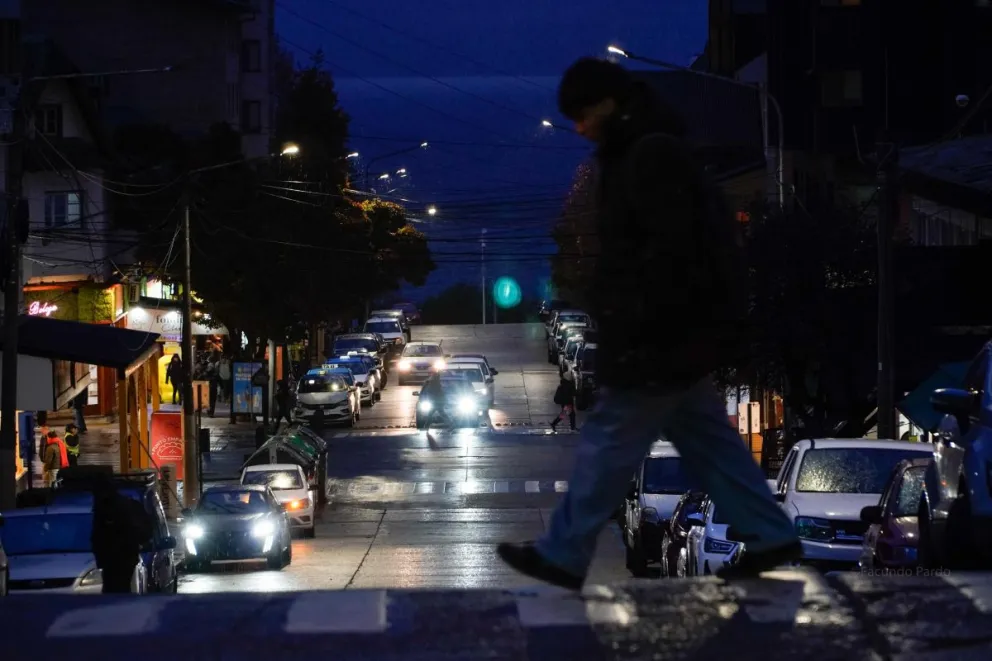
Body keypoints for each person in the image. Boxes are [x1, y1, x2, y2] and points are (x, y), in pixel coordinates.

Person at [496, 57, 800, 590]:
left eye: (583, 113)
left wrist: (636, 325)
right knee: (709, 441)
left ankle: (565, 553)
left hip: (659, 334)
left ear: (608, 103)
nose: (579, 126)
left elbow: (663, 255)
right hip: (676, 331)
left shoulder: (647, 155)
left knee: (609, 443)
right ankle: (771, 534)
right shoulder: (646, 147)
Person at [91, 475, 153, 594]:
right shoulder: (104, 508)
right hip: (118, 559)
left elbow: (99, 536)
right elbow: (97, 536)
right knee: (117, 589)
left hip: (121, 558)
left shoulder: (113, 509)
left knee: (117, 589)